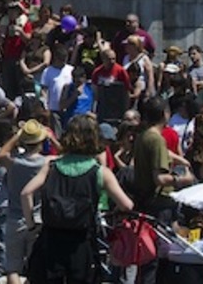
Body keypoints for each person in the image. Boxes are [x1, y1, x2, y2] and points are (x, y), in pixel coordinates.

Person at [21, 115, 133, 284]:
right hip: (81, 243)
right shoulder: (99, 172)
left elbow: (26, 193)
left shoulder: (52, 165)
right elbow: (126, 205)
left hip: (51, 240)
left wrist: (31, 226)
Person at [132, 97, 194, 284]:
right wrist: (183, 180)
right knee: (157, 258)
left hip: (143, 200)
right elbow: (160, 178)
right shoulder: (157, 139)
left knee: (146, 256)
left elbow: (162, 153)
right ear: (164, 114)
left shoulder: (143, 136)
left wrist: (179, 159)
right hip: (159, 203)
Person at [0, 120, 53, 284]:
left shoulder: (14, 162)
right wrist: (52, 138)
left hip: (14, 217)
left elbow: (0, 154)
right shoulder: (47, 162)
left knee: (13, 267)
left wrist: (18, 136)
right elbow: (66, 154)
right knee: (36, 266)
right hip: (38, 217)